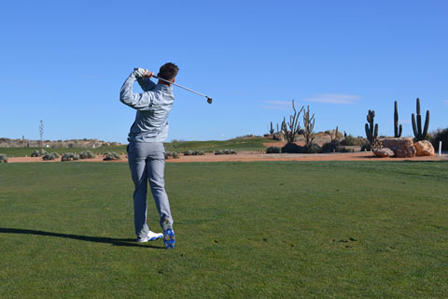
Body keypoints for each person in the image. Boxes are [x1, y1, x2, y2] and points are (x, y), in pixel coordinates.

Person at [119, 63, 179, 249]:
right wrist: (143, 78)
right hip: (157, 147)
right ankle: (166, 221)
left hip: (139, 147)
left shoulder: (151, 97)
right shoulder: (169, 96)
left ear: (159, 75)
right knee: (158, 187)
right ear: (174, 81)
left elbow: (125, 97)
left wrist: (133, 75)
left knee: (140, 191)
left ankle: (142, 234)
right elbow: (152, 90)